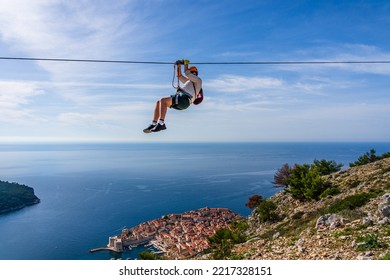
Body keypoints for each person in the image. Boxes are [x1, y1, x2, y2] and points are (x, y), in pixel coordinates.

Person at [143, 60, 202, 133]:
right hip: (183, 101)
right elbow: (179, 76)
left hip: (185, 100)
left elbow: (187, 73)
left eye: (193, 73)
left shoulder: (198, 80)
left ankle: (161, 123)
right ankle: (153, 124)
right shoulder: (188, 81)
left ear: (195, 74)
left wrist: (186, 63)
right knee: (159, 102)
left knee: (163, 100)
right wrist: (179, 66)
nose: (192, 74)